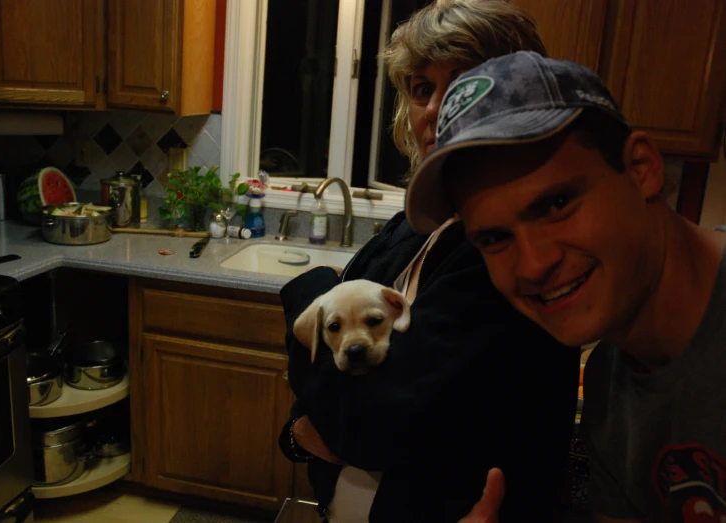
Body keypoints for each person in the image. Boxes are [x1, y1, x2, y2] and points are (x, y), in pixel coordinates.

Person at [278, 2, 580, 522]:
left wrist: (306, 294)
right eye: (422, 89)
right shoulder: (412, 226)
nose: (437, 109)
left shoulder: (503, 250)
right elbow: (334, 374)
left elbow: (371, 425)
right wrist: (299, 431)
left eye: (466, 85)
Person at [406, 50, 726, 523]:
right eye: (495, 238)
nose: (533, 265)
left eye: (557, 203)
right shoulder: (609, 387)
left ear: (642, 168)